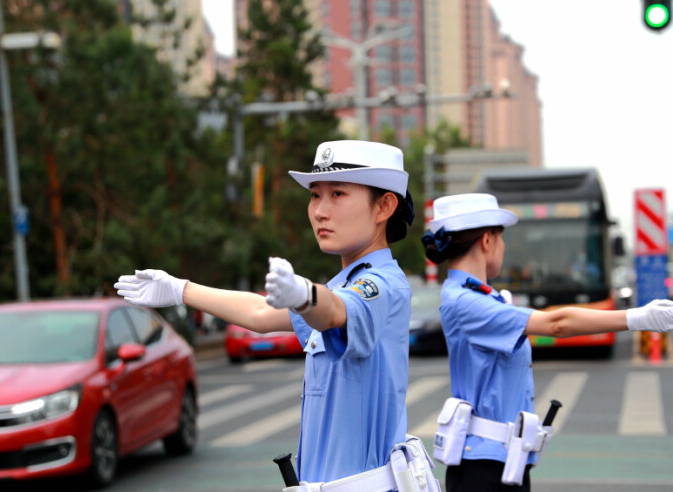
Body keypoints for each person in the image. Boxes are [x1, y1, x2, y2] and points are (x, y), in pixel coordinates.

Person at [115, 140, 440, 491]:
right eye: (315, 195)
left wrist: (305, 296)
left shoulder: (382, 285)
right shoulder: (345, 282)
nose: (320, 211)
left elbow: (334, 311)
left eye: (338, 194)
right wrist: (181, 290)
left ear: (384, 206)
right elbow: (259, 312)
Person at [420, 193, 673, 492]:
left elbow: (548, 316)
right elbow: (556, 323)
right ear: (487, 240)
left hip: (502, 461)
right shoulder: (465, 302)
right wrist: (635, 318)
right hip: (481, 469)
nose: (504, 247)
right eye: (502, 239)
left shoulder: (482, 297)